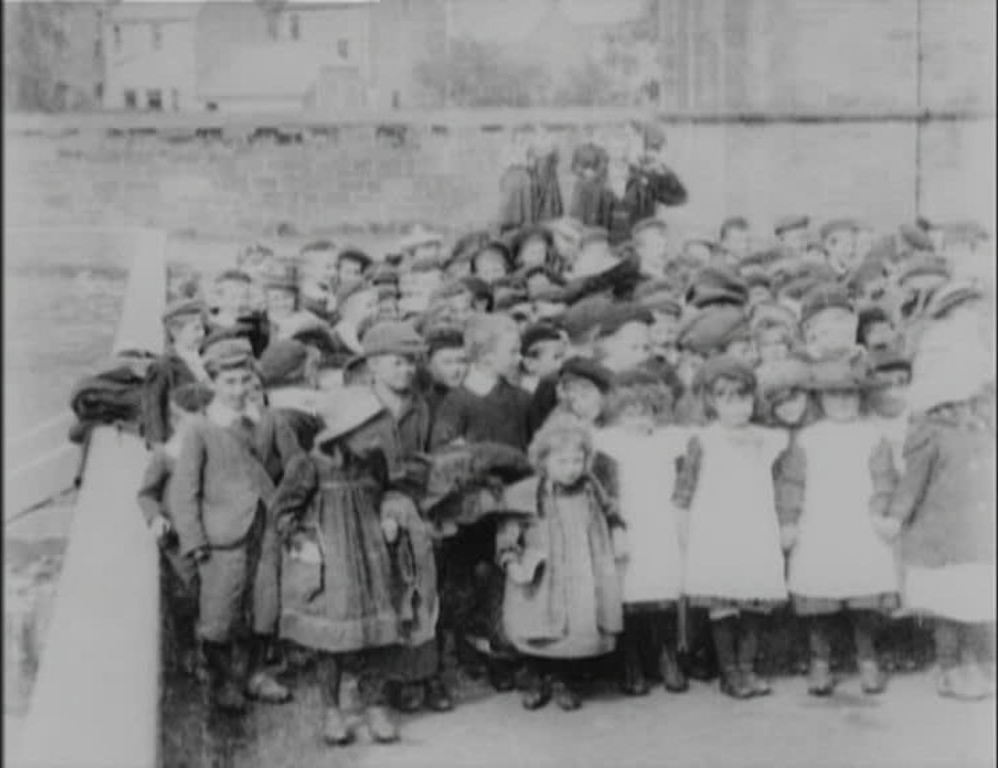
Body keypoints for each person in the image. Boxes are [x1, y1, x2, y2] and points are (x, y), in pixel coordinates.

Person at [168, 338, 303, 713]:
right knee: (220, 611)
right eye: (229, 382)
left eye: (245, 380)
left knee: (265, 604)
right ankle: (222, 681)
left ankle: (256, 673)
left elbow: (297, 466)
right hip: (222, 536)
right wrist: (194, 540)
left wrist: (287, 507)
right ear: (213, 383)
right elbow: (184, 490)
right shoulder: (200, 428)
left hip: (267, 526)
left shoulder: (269, 420)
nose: (239, 389)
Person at [272, 388, 408, 746]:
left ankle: (375, 705)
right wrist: (302, 541)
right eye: (368, 432)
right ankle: (332, 710)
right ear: (344, 432)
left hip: (371, 554)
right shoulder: (309, 465)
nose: (376, 440)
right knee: (331, 640)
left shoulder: (373, 461)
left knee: (377, 634)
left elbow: (388, 493)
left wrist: (389, 515)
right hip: (333, 561)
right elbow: (282, 511)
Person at [882, 283, 996, 700]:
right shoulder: (930, 431)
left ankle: (978, 661)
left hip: (977, 535)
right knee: (949, 606)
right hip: (942, 536)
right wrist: (896, 516)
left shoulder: (982, 427)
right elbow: (913, 480)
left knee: (978, 602)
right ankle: (950, 666)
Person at [674, 356, 788, 699]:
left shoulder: (767, 439)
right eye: (726, 399)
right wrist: (684, 529)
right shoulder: (703, 440)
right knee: (722, 602)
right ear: (711, 402)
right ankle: (729, 672)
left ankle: (747, 667)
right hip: (717, 528)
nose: (737, 407)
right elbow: (685, 489)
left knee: (753, 600)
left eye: (743, 398)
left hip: (755, 525)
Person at [787, 359, 901, 696]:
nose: (842, 402)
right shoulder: (808, 438)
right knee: (820, 602)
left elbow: (884, 479)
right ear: (820, 399)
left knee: (864, 601)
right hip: (819, 525)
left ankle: (868, 660)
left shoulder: (872, 436)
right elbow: (792, 483)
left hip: (860, 524)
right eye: (833, 395)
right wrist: (789, 520)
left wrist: (880, 512)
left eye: (849, 395)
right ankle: (820, 661)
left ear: (860, 397)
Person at [497, 414, 625, 711]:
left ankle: (562, 679)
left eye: (577, 461)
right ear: (544, 461)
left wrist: (618, 529)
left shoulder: (590, 487)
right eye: (562, 462)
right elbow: (508, 532)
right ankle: (535, 677)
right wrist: (511, 559)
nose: (571, 469)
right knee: (539, 624)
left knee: (573, 628)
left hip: (581, 568)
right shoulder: (527, 493)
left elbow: (610, 510)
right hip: (543, 573)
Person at [593, 370, 688, 697]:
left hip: (660, 524)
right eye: (629, 413)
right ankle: (631, 662)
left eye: (645, 412)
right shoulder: (608, 445)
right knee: (629, 594)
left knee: (663, 592)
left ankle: (667, 657)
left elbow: (682, 483)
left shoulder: (669, 442)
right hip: (628, 524)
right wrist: (615, 526)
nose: (637, 420)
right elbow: (604, 492)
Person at [137, 382, 215, 677]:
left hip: (210, 531)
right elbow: (146, 494)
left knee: (212, 594)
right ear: (177, 420)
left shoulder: (214, 450)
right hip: (178, 538)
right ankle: (189, 655)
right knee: (187, 594)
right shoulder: (166, 455)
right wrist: (156, 518)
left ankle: (211, 653)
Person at [142, 298, 210, 445]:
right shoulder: (163, 366)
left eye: (202, 328)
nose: (202, 334)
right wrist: (159, 445)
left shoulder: (203, 360)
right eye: (196, 329)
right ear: (175, 332)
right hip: (180, 439)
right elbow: (153, 409)